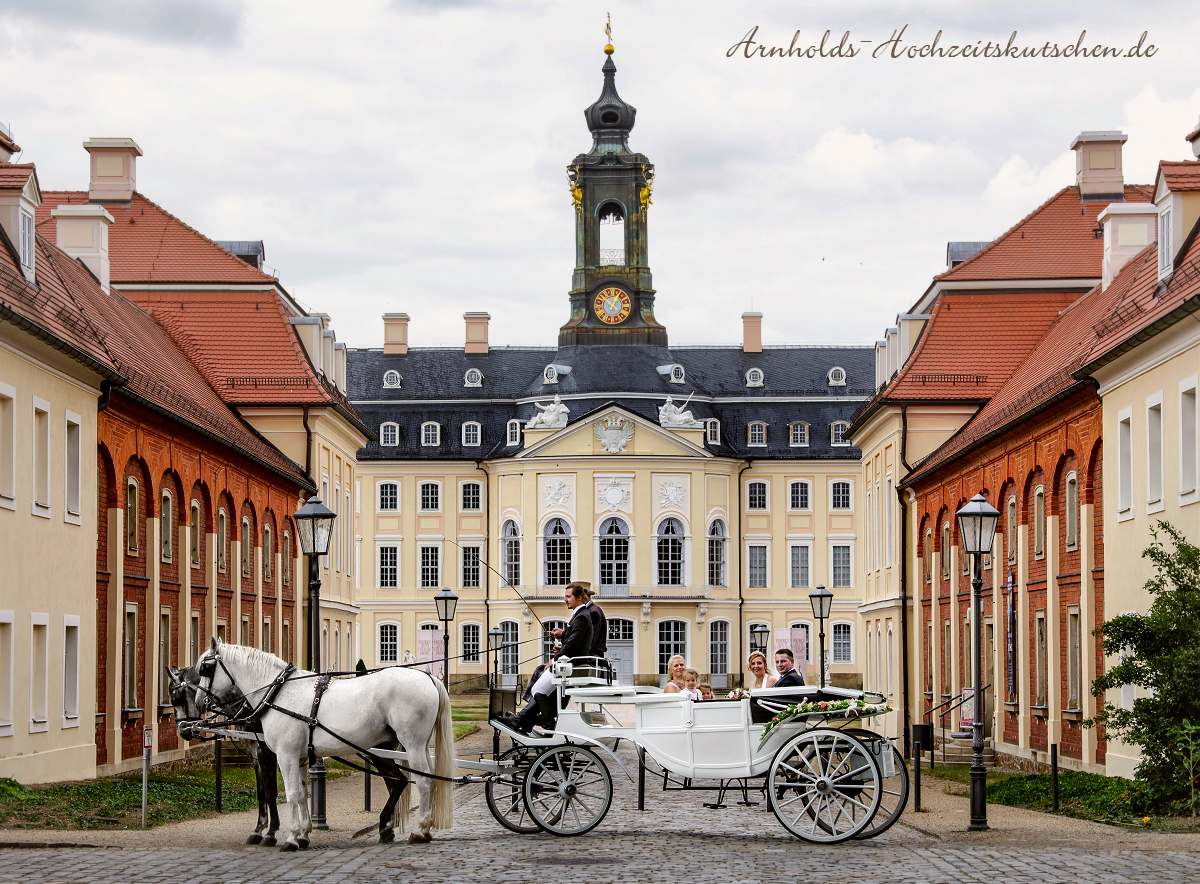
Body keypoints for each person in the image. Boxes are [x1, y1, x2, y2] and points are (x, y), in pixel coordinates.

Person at [500, 583, 593, 735]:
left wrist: (554, 659)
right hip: (568, 663)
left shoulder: (582, 616)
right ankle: (526, 720)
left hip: (569, 665)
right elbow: (572, 641)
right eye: (565, 596)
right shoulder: (580, 615)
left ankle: (546, 721)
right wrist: (563, 636)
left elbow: (572, 646)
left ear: (579, 597)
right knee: (542, 690)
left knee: (538, 690)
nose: (565, 600)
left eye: (568, 596)